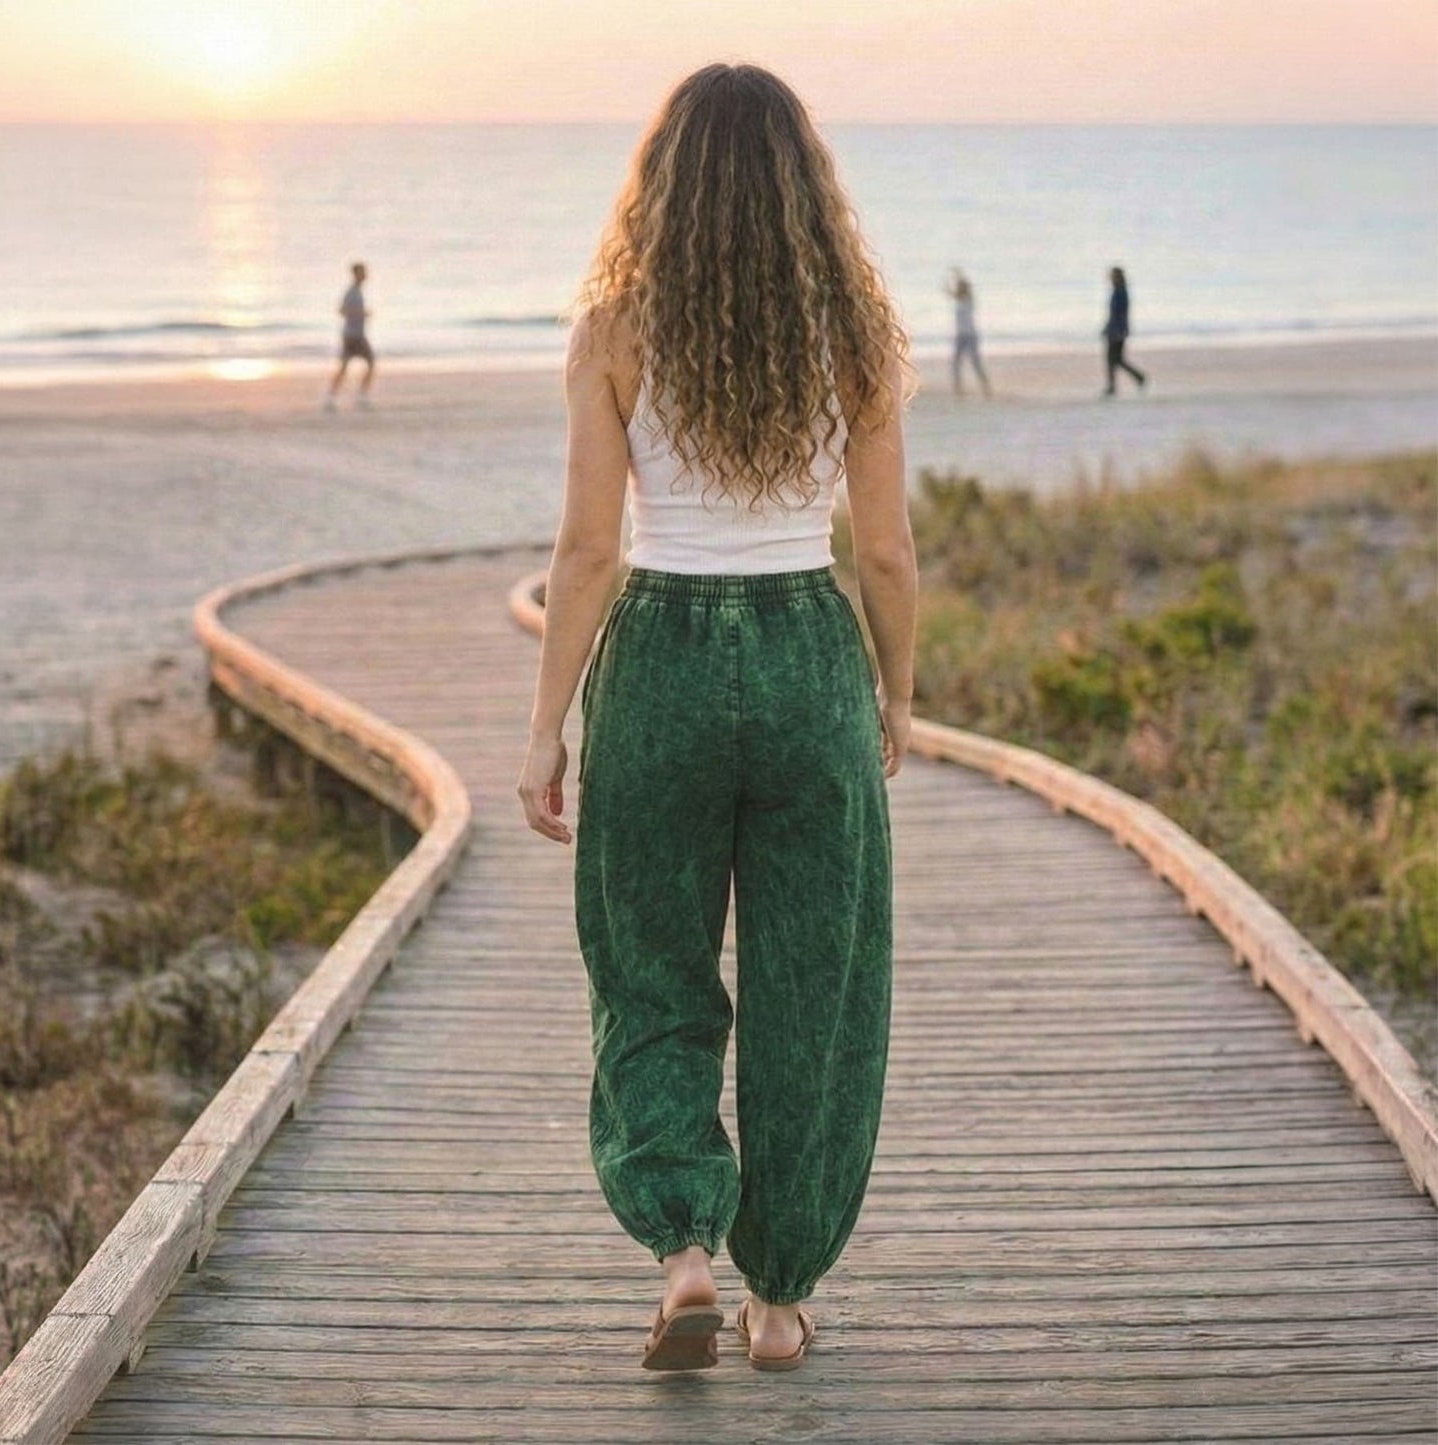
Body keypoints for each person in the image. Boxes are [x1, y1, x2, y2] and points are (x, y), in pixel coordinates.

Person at [516, 63, 917, 1374]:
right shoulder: (856, 332)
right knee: (818, 988)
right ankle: (782, 1298)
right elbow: (890, 553)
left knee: (649, 967)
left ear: (664, 179)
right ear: (806, 181)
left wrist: (546, 729)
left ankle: (685, 1247)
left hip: (664, 660)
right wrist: (894, 697)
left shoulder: (612, 328)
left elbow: (585, 552)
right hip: (808, 651)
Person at [325, 261, 374, 410]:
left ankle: (333, 396)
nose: (366, 275)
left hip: (355, 334)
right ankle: (359, 396)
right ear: (357, 274)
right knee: (368, 362)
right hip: (353, 336)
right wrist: (361, 314)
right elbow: (342, 311)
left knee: (348, 366)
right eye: (363, 272)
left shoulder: (358, 291)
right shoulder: (352, 292)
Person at [943, 269, 992, 397]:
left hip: (970, 335)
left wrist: (958, 274)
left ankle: (986, 388)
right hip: (960, 336)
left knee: (976, 363)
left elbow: (965, 286)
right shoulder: (959, 301)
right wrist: (950, 279)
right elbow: (948, 292)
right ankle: (958, 391)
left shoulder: (969, 300)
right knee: (956, 363)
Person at [1101, 265, 1147, 396]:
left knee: (1113, 359)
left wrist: (1117, 329)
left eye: (1113, 275)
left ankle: (1114, 386)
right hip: (1115, 329)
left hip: (1117, 330)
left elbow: (1119, 314)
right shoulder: (1119, 291)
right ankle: (1137, 378)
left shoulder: (1120, 292)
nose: (1110, 278)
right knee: (1116, 359)